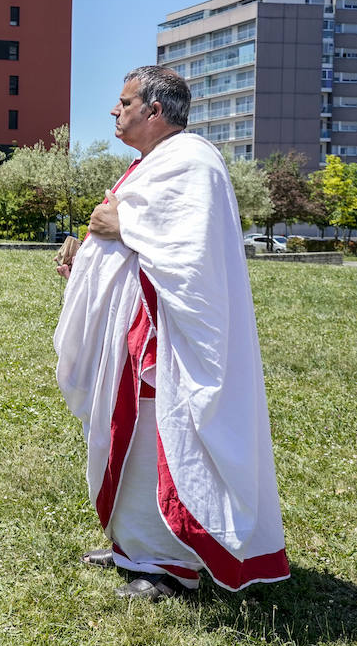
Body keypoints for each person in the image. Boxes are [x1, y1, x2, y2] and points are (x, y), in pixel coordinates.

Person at [53, 65, 289, 600]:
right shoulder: (151, 164)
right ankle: (131, 546)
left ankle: (167, 564)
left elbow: (189, 252)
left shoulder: (192, 161)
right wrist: (89, 259)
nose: (115, 110)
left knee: (159, 441)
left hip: (167, 338)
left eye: (123, 102)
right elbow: (124, 239)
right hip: (135, 330)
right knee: (127, 439)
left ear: (154, 110)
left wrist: (118, 230)